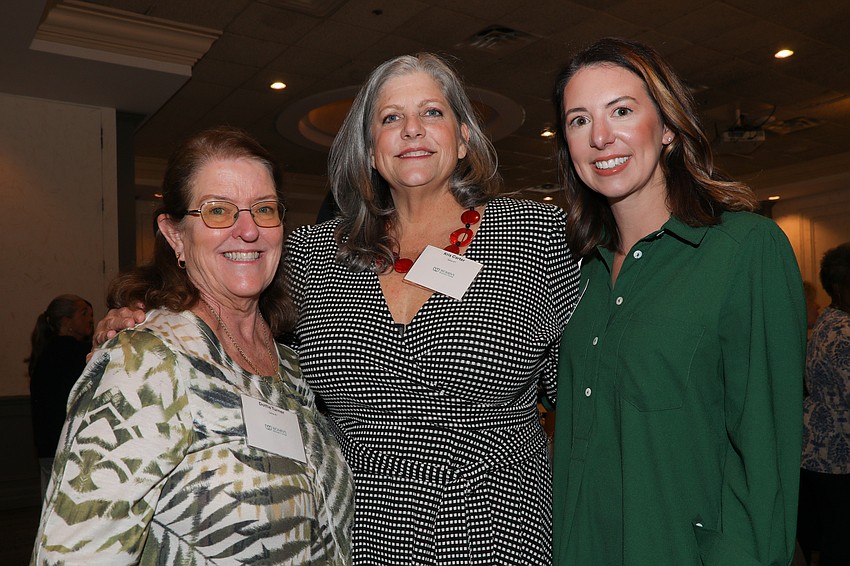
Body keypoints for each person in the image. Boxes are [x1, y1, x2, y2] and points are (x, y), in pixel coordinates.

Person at [97, 54, 580, 565]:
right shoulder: (317, 252)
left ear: (463, 138)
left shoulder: (535, 233)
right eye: (391, 118)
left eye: (432, 113)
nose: (412, 130)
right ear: (371, 149)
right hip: (362, 530)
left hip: (500, 525)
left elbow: (581, 385)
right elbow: (223, 282)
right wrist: (141, 308)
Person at [31, 127, 353, 565]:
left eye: (264, 209)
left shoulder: (293, 364)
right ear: (175, 234)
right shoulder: (146, 363)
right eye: (218, 210)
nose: (248, 230)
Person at [549, 37, 806, 566]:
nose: (600, 136)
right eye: (579, 120)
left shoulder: (745, 250)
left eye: (621, 110)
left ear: (666, 127)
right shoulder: (580, 274)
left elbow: (767, 457)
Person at [797, 243, 850, 566]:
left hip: (820, 452)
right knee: (840, 544)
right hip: (837, 456)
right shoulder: (843, 330)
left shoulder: (828, 319)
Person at [27, 294, 93, 499]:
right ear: (66, 322)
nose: (90, 319)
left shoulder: (45, 352)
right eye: (83, 314)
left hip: (48, 444)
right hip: (64, 443)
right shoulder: (71, 353)